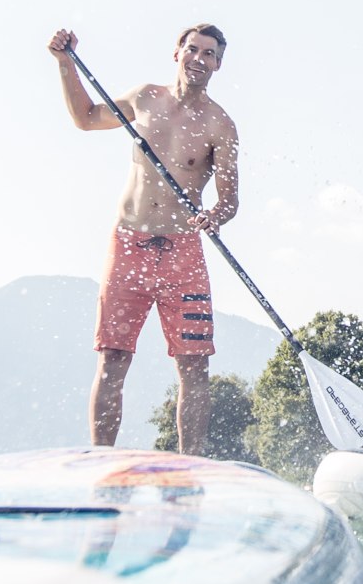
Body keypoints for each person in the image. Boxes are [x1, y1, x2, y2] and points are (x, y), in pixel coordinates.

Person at [48, 24, 239, 456]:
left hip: (183, 253)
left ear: (218, 65)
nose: (199, 59)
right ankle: (101, 459)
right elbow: (85, 118)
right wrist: (64, 63)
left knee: (194, 365)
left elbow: (230, 200)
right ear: (177, 53)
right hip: (128, 244)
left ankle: (190, 466)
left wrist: (214, 216)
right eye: (193, 49)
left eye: (209, 54)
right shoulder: (145, 98)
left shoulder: (221, 125)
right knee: (112, 358)